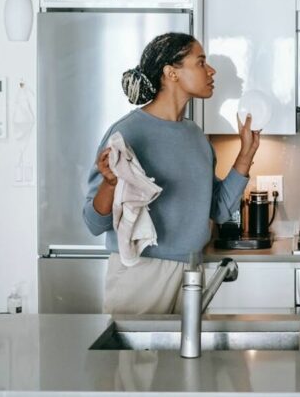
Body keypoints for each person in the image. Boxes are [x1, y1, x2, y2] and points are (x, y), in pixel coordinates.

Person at [82, 33, 260, 315]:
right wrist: (109, 184)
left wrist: (246, 155)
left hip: (191, 270)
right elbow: (94, 223)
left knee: (186, 359)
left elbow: (218, 209)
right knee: (135, 360)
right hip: (140, 274)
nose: (211, 71)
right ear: (171, 73)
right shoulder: (127, 133)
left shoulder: (196, 136)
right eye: (201, 63)